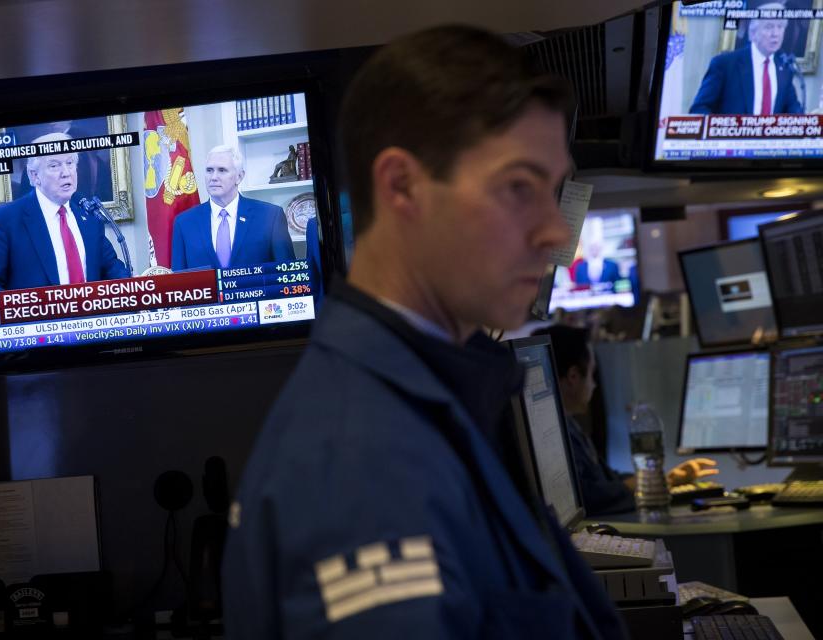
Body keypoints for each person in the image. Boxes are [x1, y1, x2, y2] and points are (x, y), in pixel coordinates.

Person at [222, 26, 627, 639]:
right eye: (519, 187)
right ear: (402, 186)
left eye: (553, 193)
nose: (553, 233)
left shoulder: (430, 404)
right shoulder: (361, 460)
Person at [531, 324, 719, 516]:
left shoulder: (570, 426)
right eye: (592, 374)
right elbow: (589, 497)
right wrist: (657, 482)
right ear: (573, 376)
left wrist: (663, 479)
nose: (594, 385)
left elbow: (608, 480)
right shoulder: (553, 438)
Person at [0, 133, 129, 293]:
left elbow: (114, 271)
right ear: (34, 176)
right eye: (54, 165)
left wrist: (138, 290)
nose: (66, 172)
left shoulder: (90, 217)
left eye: (70, 163)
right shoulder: (5, 220)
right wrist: (21, 309)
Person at [170, 145, 295, 271]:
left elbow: (287, 274)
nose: (213, 177)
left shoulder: (270, 216)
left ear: (239, 177)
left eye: (222, 170)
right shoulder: (184, 222)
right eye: (209, 170)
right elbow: (179, 283)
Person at [689, 2, 803, 115]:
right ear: (753, 33)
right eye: (769, 27)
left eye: (780, 27)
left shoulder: (785, 69)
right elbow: (699, 109)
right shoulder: (725, 64)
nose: (775, 34)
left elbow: (795, 113)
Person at [571, 217, 621, 285]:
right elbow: (578, 286)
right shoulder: (580, 267)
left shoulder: (612, 265)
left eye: (596, 246)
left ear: (601, 247)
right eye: (592, 246)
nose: (594, 249)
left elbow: (618, 285)